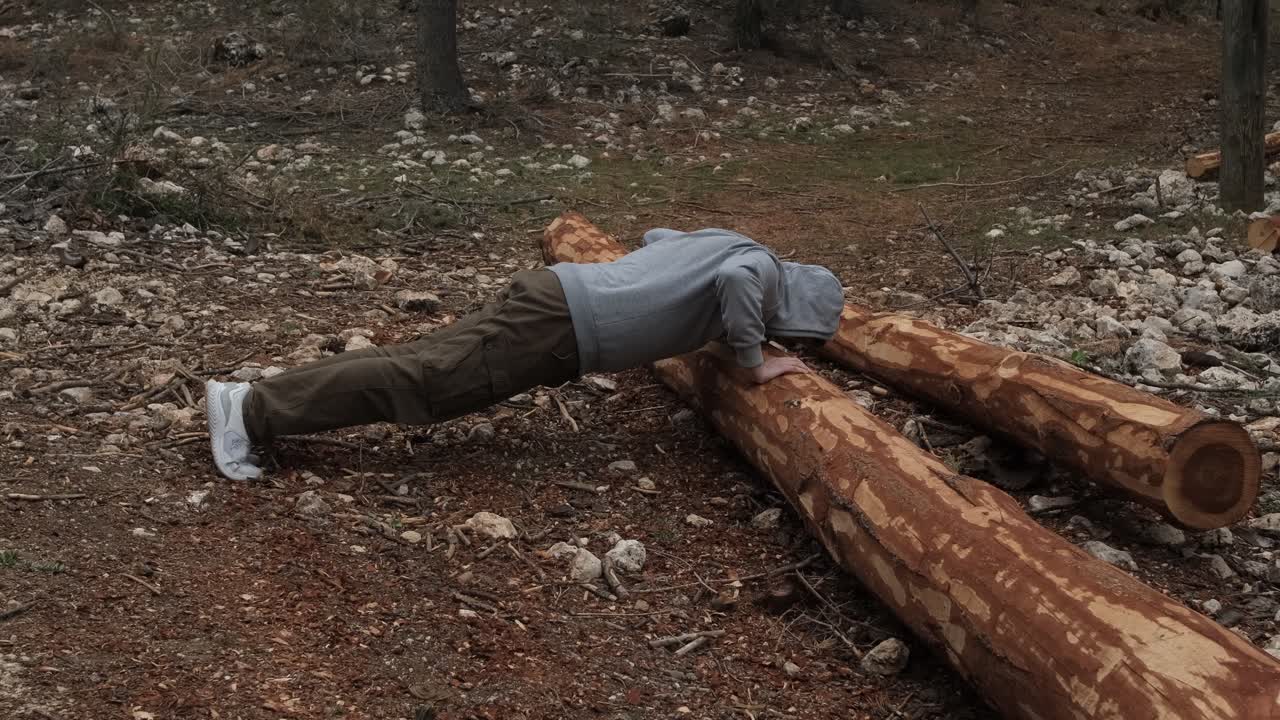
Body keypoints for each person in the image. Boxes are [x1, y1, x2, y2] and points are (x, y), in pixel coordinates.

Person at [205, 227, 845, 481]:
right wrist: (752, 361)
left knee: (416, 361)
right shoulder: (756, 271)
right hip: (560, 327)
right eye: (791, 336)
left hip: (555, 299)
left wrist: (664, 290)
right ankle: (251, 413)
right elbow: (736, 288)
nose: (783, 342)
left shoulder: (733, 241)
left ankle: (255, 401)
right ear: (795, 311)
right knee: (426, 384)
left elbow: (658, 236)